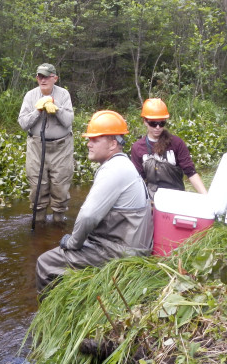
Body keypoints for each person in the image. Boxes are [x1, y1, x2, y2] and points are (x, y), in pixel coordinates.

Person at [36, 111, 153, 293]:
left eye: (95, 140)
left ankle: (49, 314)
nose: (89, 144)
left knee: (45, 263)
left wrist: (74, 243)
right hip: (129, 245)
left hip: (122, 252)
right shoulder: (122, 164)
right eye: (89, 139)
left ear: (113, 143)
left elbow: (88, 216)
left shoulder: (113, 170)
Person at [17, 63, 74, 222]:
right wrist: (38, 111)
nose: (43, 80)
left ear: (54, 78)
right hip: (36, 147)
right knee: (37, 187)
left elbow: (69, 120)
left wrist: (56, 108)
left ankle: (58, 222)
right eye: (40, 76)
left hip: (61, 147)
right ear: (37, 78)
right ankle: (39, 222)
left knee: (60, 187)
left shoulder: (64, 94)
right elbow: (23, 123)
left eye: (47, 76)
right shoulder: (30, 96)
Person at [130, 98, 208, 197]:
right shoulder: (137, 147)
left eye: (161, 123)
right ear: (145, 121)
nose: (158, 127)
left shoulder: (176, 143)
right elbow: (138, 180)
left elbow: (190, 172)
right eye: (153, 123)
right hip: (152, 200)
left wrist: (206, 197)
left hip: (176, 197)